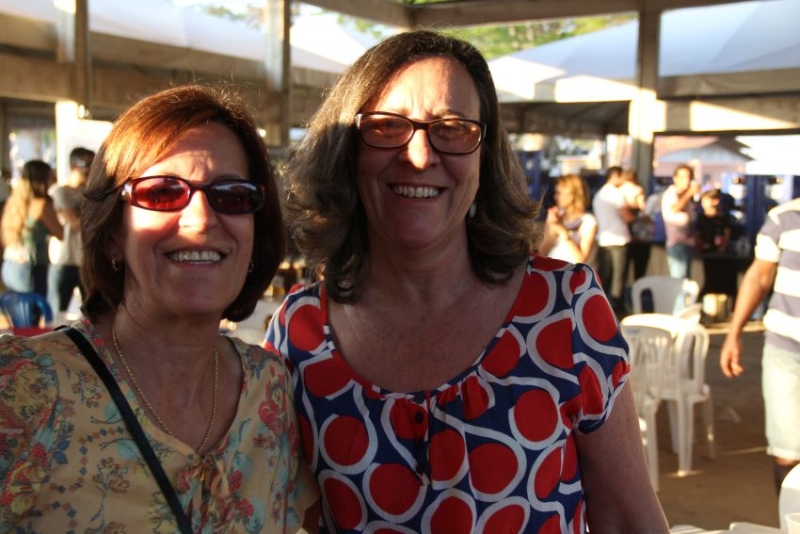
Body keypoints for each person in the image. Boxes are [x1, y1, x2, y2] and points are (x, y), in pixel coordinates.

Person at [264, 29, 667, 533]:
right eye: (388, 126)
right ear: (347, 149)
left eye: (452, 128)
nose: (419, 156)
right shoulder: (298, 333)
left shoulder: (564, 310)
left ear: (485, 156)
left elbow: (629, 519)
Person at [0, 84, 318, 531]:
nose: (202, 220)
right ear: (112, 232)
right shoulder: (23, 387)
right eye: (163, 192)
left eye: (232, 195)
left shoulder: (270, 389)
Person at [720, 197, 800, 494]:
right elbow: (759, 276)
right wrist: (733, 334)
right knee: (787, 454)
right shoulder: (784, 218)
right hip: (786, 349)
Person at [1, 159, 62, 296]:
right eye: (50, 176)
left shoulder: (13, 203)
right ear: (42, 180)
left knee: (16, 308)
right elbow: (61, 233)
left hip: (10, 265)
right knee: (34, 308)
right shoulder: (42, 205)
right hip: (31, 268)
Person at [47, 146, 95, 313]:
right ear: (74, 165)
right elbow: (76, 224)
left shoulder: (90, 193)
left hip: (85, 260)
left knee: (91, 313)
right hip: (64, 260)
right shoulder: (59, 192)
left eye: (95, 164)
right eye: (87, 164)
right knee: (57, 313)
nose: (91, 169)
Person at [592, 165, 636, 315]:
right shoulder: (616, 194)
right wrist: (635, 214)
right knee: (618, 278)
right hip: (619, 240)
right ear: (616, 176)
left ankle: (602, 308)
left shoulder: (599, 195)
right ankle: (616, 311)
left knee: (605, 277)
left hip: (603, 240)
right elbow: (627, 217)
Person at [539, 173, 597, 264]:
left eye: (559, 193)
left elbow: (580, 259)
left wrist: (563, 231)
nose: (555, 197)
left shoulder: (588, 221)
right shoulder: (556, 216)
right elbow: (542, 252)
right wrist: (550, 225)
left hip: (570, 270)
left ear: (572, 195)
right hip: (551, 269)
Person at [695, 187, 736, 305]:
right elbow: (697, 234)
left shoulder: (723, 217)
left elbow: (727, 233)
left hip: (721, 255)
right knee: (709, 278)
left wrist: (723, 246)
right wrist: (701, 245)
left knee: (722, 279)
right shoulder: (701, 217)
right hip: (707, 253)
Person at [661, 164, 700, 279]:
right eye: (683, 177)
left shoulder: (688, 198)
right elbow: (675, 208)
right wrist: (690, 193)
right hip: (677, 244)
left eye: (689, 177)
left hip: (688, 242)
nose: (686, 181)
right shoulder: (671, 194)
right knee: (679, 282)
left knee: (686, 281)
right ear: (675, 178)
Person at [622, 168, 652, 281]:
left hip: (623, 230)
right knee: (640, 267)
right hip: (638, 230)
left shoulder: (620, 190)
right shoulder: (638, 190)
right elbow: (643, 209)